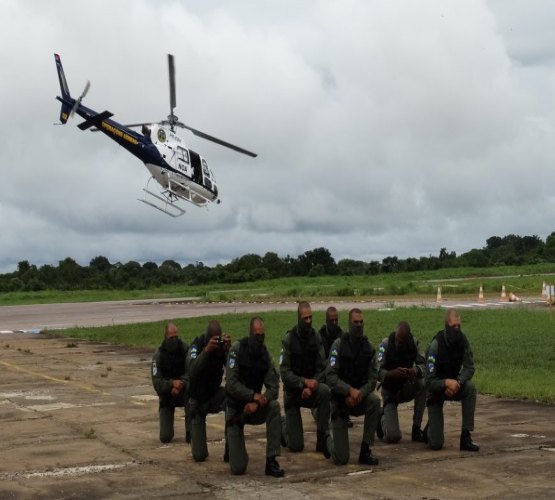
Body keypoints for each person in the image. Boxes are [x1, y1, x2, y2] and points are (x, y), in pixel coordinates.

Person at [225, 316, 284, 477]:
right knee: (238, 469)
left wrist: (258, 403)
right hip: (236, 410)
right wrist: (252, 395)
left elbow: (274, 387)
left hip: (253, 409)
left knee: (274, 407)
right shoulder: (236, 350)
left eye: (262, 336)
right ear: (250, 334)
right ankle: (232, 445)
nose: (260, 339)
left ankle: (271, 461)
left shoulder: (265, 355)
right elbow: (231, 384)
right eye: (257, 335)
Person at [326, 308, 380, 465]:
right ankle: (327, 441)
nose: (359, 325)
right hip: (341, 403)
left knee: (375, 402)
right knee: (341, 459)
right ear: (349, 324)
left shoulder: (368, 347)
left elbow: (372, 379)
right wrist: (348, 391)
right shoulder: (338, 345)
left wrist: (359, 394)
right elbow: (331, 377)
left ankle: (365, 450)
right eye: (356, 322)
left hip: (359, 399)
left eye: (361, 322)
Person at [280, 301, 331, 458]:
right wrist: (303, 382)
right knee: (296, 446)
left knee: (325, 391)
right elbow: (284, 372)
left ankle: (322, 436)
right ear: (299, 318)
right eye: (305, 318)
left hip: (309, 391)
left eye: (310, 318)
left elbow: (323, 367)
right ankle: (282, 425)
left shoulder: (316, 337)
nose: (309, 321)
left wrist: (312, 385)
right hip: (293, 394)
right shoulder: (289, 339)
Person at [425, 309, 479, 452]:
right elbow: (428, 381)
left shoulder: (463, 340)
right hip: (436, 390)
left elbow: (469, 367)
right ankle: (430, 428)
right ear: (446, 326)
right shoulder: (435, 345)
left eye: (458, 326)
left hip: (454, 386)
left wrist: (458, 382)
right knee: (436, 445)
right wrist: (445, 384)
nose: (457, 329)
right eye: (453, 326)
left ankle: (466, 436)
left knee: (470, 389)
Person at [187, 320, 230, 462]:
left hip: (214, 395)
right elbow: (191, 370)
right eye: (214, 339)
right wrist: (206, 351)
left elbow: (233, 372)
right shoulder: (197, 346)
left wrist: (229, 351)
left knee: (232, 398)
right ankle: (194, 436)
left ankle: (231, 448)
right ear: (208, 337)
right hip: (198, 400)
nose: (217, 343)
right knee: (199, 456)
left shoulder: (221, 348)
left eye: (219, 339)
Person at [376, 321, 426, 443]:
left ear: (408, 338)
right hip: (390, 392)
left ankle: (416, 428)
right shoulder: (385, 344)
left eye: (402, 341)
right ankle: (381, 417)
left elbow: (425, 365)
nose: (398, 343)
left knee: (423, 384)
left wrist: (415, 370)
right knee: (393, 437)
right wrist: (390, 373)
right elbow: (376, 371)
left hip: (405, 387)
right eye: (397, 339)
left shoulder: (414, 343)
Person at [151, 322, 191, 444]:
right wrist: (171, 384)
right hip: (167, 396)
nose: (174, 340)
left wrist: (181, 384)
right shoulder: (158, 356)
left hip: (183, 392)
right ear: (165, 337)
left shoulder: (185, 349)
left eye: (176, 337)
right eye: (171, 338)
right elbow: (157, 383)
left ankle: (190, 431)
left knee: (193, 397)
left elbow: (192, 371)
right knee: (165, 437)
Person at [317, 306, 352, 428]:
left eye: (336, 320)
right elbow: (320, 361)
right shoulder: (319, 337)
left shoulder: (342, 336)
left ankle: (343, 412)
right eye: (331, 320)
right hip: (322, 372)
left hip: (335, 371)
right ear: (326, 321)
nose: (334, 323)